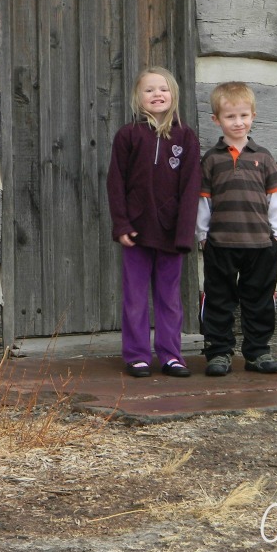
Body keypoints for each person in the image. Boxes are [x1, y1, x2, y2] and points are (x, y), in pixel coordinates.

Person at [106, 67, 201, 378]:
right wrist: (121, 225)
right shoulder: (128, 135)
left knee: (169, 297)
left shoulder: (185, 136)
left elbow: (190, 188)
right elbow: (115, 182)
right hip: (136, 231)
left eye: (163, 88)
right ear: (138, 97)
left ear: (173, 94)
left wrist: (185, 232)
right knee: (135, 296)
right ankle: (136, 355)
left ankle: (171, 354)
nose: (157, 94)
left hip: (172, 233)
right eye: (149, 90)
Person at [196, 82, 277, 376]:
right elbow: (203, 203)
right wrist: (203, 236)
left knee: (259, 300)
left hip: (260, 245)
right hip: (220, 244)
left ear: (253, 116)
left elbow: (275, 199)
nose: (238, 122)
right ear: (216, 120)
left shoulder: (264, 157)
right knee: (219, 299)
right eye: (230, 117)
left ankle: (258, 352)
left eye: (243, 116)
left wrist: (276, 235)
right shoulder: (211, 159)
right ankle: (219, 352)